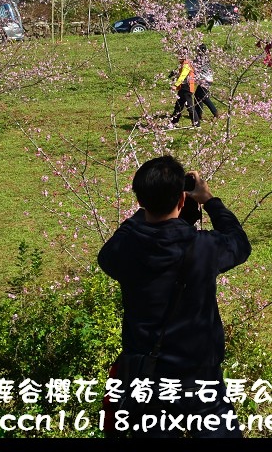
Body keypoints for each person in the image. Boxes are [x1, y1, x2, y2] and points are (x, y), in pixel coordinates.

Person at [98, 156, 251, 438]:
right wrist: (209, 201)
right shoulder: (203, 247)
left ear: (140, 201)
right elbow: (239, 244)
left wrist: (150, 212)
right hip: (200, 379)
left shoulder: (126, 247)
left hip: (148, 381)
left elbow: (108, 254)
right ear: (182, 199)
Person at [169, 55, 200, 128]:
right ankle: (173, 123)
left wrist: (175, 85)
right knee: (178, 106)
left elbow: (183, 76)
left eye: (180, 56)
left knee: (190, 107)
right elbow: (181, 74)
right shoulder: (183, 64)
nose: (178, 58)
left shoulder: (186, 64)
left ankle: (196, 124)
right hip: (183, 88)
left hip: (187, 88)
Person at [193, 43, 219, 119]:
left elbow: (192, 66)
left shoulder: (199, 58)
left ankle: (215, 112)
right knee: (197, 95)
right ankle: (198, 114)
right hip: (208, 79)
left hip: (204, 80)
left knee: (203, 97)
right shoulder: (206, 57)